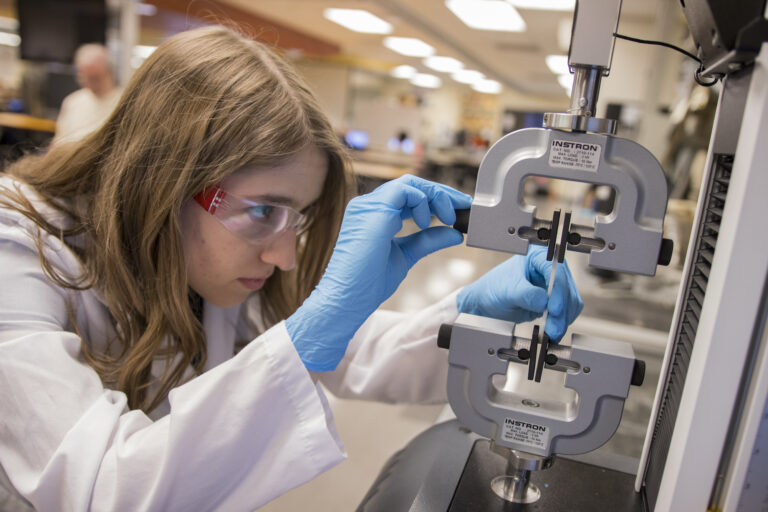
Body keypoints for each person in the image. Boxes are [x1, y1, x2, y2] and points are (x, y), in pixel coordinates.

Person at [0, 26, 582, 511]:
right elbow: (99, 488)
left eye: (296, 216)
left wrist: (469, 316)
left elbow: (352, 354)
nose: (283, 257)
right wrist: (313, 331)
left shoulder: (204, 257)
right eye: (262, 211)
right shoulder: (17, 251)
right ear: (164, 179)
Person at [53, 43, 122, 145]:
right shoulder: (72, 102)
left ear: (109, 73)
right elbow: (57, 143)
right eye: (84, 77)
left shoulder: (123, 102)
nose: (88, 83)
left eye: (94, 78)